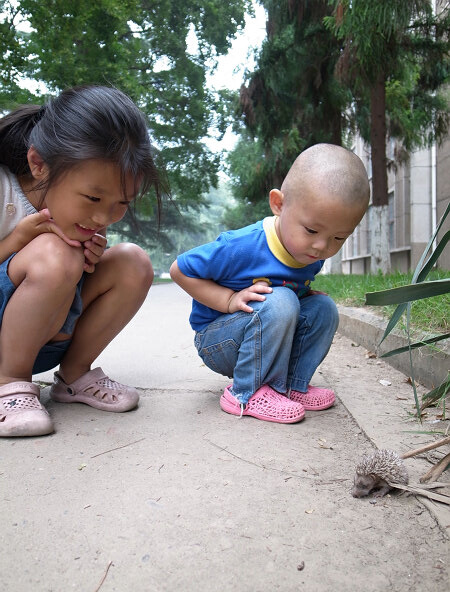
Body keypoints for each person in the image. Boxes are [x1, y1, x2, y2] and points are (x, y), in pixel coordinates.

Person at [0, 85, 166, 437]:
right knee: (55, 253)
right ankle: (9, 383)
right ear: (38, 164)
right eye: (93, 197)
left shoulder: (85, 217)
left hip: (48, 338)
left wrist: (88, 260)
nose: (103, 216)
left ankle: (74, 376)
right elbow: (47, 260)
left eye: (121, 203)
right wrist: (17, 241)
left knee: (132, 262)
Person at [170, 143, 370, 424]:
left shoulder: (312, 251)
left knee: (323, 307)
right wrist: (228, 300)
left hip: (267, 337)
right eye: (312, 230)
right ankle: (245, 393)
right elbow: (180, 269)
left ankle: (292, 385)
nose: (322, 246)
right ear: (279, 204)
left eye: (339, 238)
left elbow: (290, 286)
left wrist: (306, 296)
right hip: (219, 342)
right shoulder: (241, 246)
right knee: (282, 300)